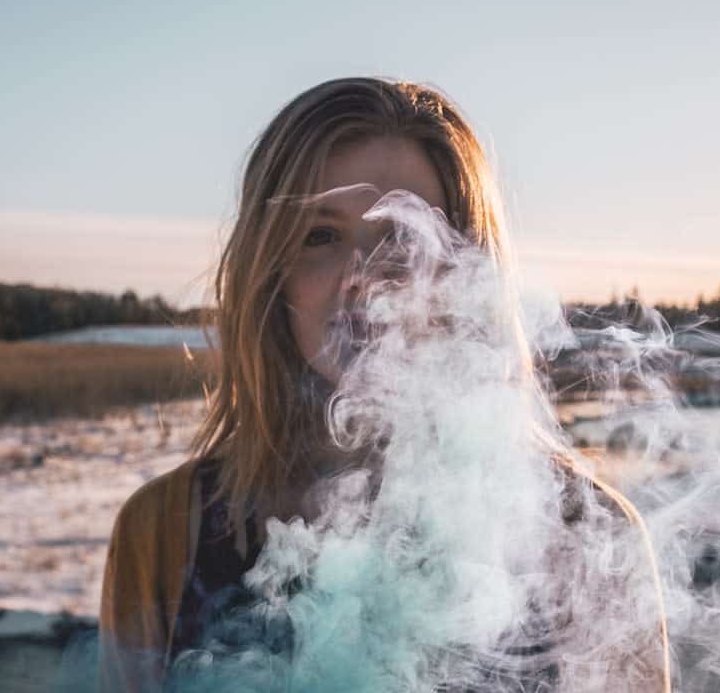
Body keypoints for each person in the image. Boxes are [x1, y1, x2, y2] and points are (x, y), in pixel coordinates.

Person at [97, 77, 671, 692]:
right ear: (270, 273)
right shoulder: (164, 531)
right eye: (321, 236)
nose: (362, 280)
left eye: (403, 237)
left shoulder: (588, 534)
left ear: (468, 266)